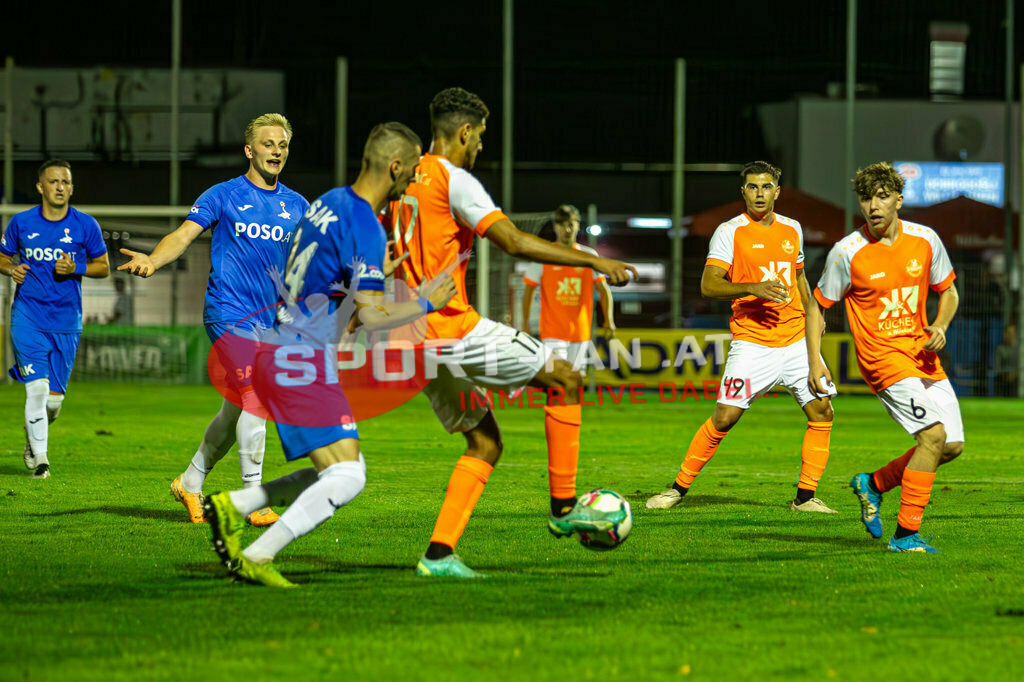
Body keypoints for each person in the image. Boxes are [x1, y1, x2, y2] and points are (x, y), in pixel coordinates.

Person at [387, 87, 638, 578]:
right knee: (566, 376)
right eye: (479, 137)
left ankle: (438, 556)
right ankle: (564, 509)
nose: (480, 146)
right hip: (450, 328)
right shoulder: (454, 179)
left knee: (485, 444)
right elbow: (513, 242)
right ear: (464, 132)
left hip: (408, 340)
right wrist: (596, 261)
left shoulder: (400, 179)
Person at [203, 122, 457, 587]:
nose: (412, 181)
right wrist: (426, 302)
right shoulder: (365, 226)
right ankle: (256, 556)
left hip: (289, 349)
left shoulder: (328, 203)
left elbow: (332, 295)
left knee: (343, 468)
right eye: (413, 171)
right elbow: (374, 316)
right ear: (395, 167)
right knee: (348, 478)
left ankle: (234, 505)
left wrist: (365, 284)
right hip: (298, 359)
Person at [119, 113, 308, 526]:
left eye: (282, 145)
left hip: (271, 322)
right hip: (228, 313)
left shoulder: (296, 205)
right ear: (249, 150)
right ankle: (254, 500)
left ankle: (189, 482)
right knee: (257, 398)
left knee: (234, 413)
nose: (276, 150)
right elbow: (184, 235)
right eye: (268, 143)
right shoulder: (224, 194)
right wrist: (153, 258)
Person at [646, 161, 838, 513]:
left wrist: (813, 312)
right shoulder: (729, 232)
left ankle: (805, 498)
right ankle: (676, 489)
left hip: (795, 338)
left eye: (766, 187)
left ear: (777, 191)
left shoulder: (792, 229)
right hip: (753, 341)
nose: (760, 193)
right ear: (743, 192)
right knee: (725, 417)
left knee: (822, 411)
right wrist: (753, 287)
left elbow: (798, 277)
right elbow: (708, 285)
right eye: (752, 187)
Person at [806, 161, 963, 553]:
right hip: (883, 360)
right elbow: (816, 305)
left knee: (951, 446)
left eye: (881, 196)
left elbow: (949, 292)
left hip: (922, 357)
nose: (873, 206)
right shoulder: (847, 252)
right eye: (865, 198)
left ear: (899, 200)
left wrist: (940, 325)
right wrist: (814, 361)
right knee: (933, 436)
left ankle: (872, 484)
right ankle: (906, 536)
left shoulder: (926, 239)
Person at [0, 159, 110, 479]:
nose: (60, 187)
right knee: (36, 389)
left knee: (53, 403)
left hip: (66, 321)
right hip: (27, 315)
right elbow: (3, 257)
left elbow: (102, 266)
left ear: (71, 188)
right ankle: (42, 460)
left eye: (65, 182)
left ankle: (33, 437)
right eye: (53, 181)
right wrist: (11, 269)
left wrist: (74, 268)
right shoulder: (21, 222)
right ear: (40, 187)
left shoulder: (85, 225)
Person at [520, 203, 615, 369]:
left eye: (570, 224)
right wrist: (525, 322)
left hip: (580, 332)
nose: (567, 229)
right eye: (562, 225)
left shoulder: (588, 256)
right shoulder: (544, 255)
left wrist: (609, 319)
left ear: (578, 225)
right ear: (556, 227)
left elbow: (603, 290)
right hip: (552, 332)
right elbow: (528, 289)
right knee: (556, 378)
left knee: (574, 381)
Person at [994, 324, 1018, 397]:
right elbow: (997, 368)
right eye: (1008, 333)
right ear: (1005, 334)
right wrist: (1007, 374)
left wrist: (1015, 373)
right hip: (1002, 383)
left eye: (1012, 333)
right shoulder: (1000, 349)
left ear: (1015, 334)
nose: (1010, 335)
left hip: (1017, 382)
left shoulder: (1020, 350)